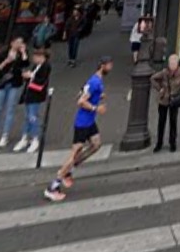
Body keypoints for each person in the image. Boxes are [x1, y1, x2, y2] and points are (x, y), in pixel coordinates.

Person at [44, 56, 112, 202]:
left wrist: (98, 97)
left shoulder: (94, 81)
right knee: (74, 154)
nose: (110, 68)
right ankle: (54, 185)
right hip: (82, 123)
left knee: (96, 144)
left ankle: (70, 169)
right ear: (102, 66)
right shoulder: (95, 82)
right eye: (109, 65)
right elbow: (80, 101)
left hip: (89, 122)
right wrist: (96, 108)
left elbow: (82, 93)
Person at [0, 36, 27, 149]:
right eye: (18, 42)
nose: (19, 44)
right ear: (12, 43)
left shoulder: (21, 54)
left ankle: (5, 136)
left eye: (21, 42)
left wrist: (23, 53)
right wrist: (6, 61)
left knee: (10, 110)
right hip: (1, 84)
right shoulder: (3, 54)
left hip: (14, 84)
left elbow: (25, 64)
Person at [15, 48, 51, 153]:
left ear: (42, 57)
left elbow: (42, 80)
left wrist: (31, 76)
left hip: (36, 94)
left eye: (36, 56)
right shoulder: (36, 66)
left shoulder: (46, 66)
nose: (34, 58)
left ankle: (35, 138)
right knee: (27, 117)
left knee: (32, 117)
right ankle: (25, 137)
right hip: (29, 93)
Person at [151, 54, 180, 152]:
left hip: (174, 100)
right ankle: (159, 143)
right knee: (161, 122)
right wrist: (160, 89)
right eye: (170, 63)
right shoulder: (164, 72)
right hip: (164, 100)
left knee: (173, 122)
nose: (172, 65)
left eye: (174, 63)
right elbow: (153, 78)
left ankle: (172, 143)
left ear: (177, 64)